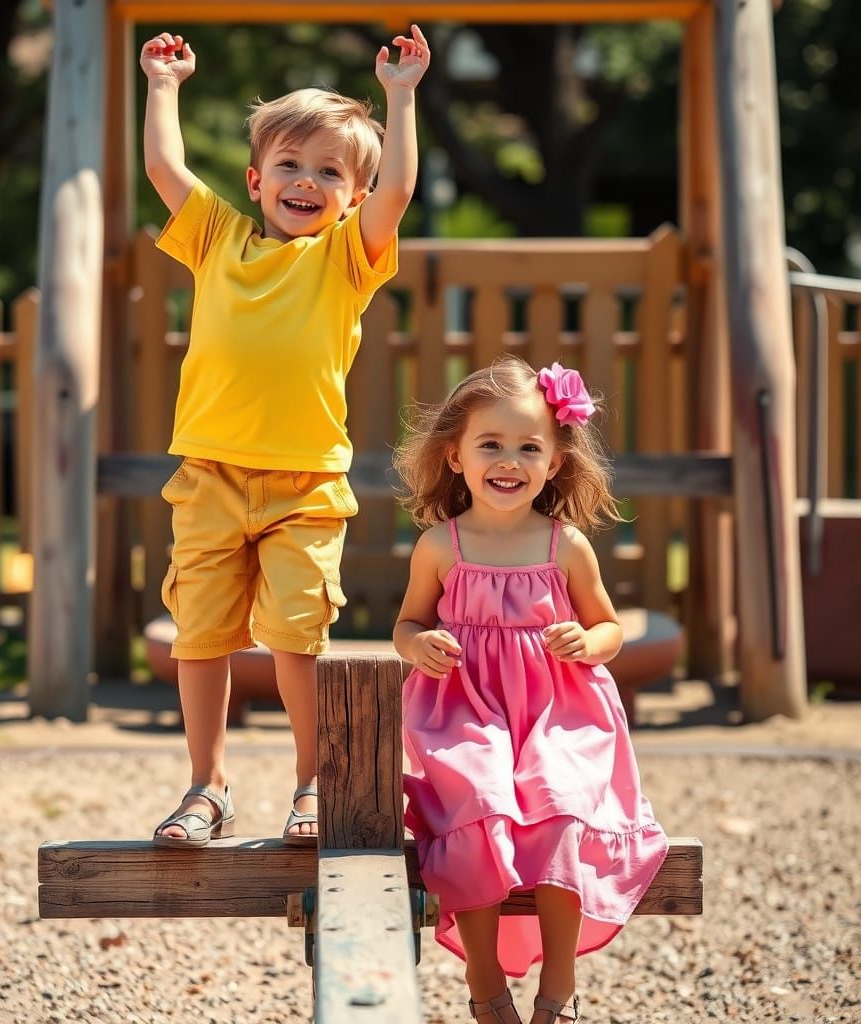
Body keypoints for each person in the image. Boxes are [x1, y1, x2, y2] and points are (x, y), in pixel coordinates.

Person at [139, 26, 430, 848]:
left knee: (296, 635)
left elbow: (400, 190)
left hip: (303, 488)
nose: (308, 182)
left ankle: (312, 782)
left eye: (331, 172)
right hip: (211, 477)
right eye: (292, 166)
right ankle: (207, 785)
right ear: (256, 179)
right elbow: (164, 169)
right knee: (200, 635)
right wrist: (165, 85)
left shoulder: (347, 257)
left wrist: (401, 98)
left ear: (351, 196)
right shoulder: (218, 238)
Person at [392, 356, 669, 1024]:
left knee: (563, 805)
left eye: (528, 447)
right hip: (466, 710)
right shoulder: (441, 547)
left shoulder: (565, 545)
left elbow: (609, 627)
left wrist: (589, 641)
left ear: (554, 462)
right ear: (455, 456)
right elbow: (406, 623)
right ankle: (486, 989)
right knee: (479, 804)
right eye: (490, 444)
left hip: (556, 712)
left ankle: (559, 989)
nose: (508, 460)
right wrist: (418, 645)